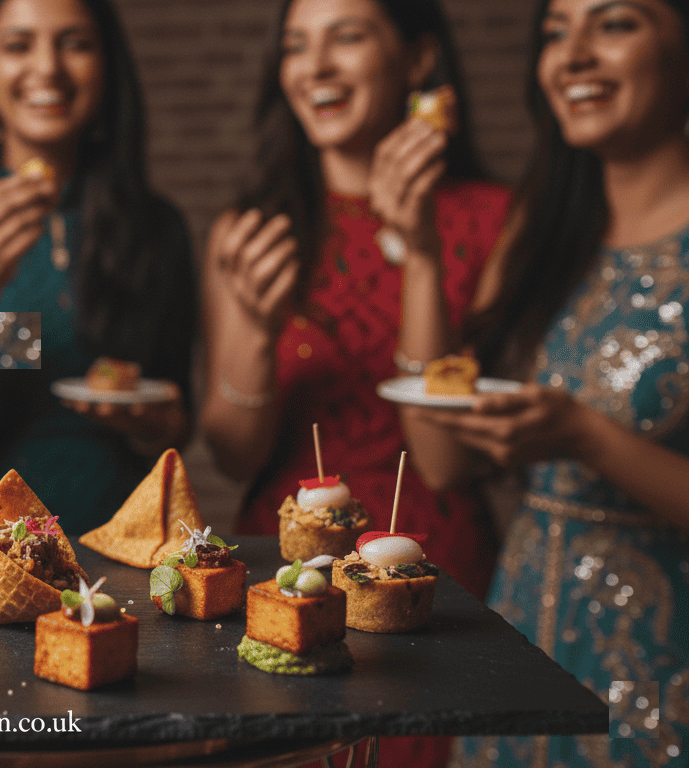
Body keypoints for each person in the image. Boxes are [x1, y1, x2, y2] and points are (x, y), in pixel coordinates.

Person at [198, 0, 509, 765]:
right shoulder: (251, 228)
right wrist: (258, 331)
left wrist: (422, 252)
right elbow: (234, 454)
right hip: (285, 571)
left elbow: (444, 462)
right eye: (298, 44)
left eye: (348, 36)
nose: (317, 66)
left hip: (430, 574)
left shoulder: (496, 219)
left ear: (417, 59)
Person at [416, 0, 689, 764]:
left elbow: (581, 433)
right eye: (555, 32)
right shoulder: (542, 225)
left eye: (615, 23)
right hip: (524, 638)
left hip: (660, 671)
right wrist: (420, 248)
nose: (572, 56)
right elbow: (442, 463)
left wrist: (587, 439)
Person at [0, 0, 196, 535]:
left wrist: (155, 423)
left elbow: (177, 425)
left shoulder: (157, 227)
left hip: (123, 542)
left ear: (106, 68)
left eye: (75, 43)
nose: (47, 67)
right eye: (18, 45)